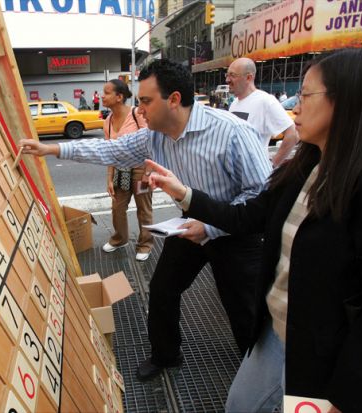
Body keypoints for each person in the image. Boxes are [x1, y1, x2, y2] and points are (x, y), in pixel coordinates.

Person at [145, 49, 362, 413]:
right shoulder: (307, 164)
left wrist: (346, 396)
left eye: (306, 95)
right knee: (240, 406)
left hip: (327, 350)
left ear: (346, 100)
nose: (295, 109)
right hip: (277, 332)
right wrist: (184, 195)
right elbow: (248, 217)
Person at [20, 59, 271, 380]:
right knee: (163, 288)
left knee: (242, 308)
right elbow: (111, 150)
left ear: (175, 100)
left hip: (235, 233)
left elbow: (261, 196)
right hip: (189, 225)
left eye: (146, 101)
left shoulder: (232, 132)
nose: (139, 111)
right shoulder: (155, 135)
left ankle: (255, 377)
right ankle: (165, 355)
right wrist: (52, 149)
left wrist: (209, 226)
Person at [101, 79, 153, 261]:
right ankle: (119, 239)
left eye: (107, 92)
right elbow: (109, 152)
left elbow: (151, 143)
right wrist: (109, 178)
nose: (102, 96)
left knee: (143, 209)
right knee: (117, 207)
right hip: (120, 171)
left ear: (119, 97)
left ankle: (145, 244)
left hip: (140, 170)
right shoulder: (107, 121)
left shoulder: (136, 114)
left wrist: (148, 172)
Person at [227, 57, 299, 167]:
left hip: (254, 178)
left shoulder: (266, 101)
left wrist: (272, 165)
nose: (227, 80)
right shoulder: (234, 103)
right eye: (227, 75)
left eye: (232, 75)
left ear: (249, 77)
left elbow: (292, 134)